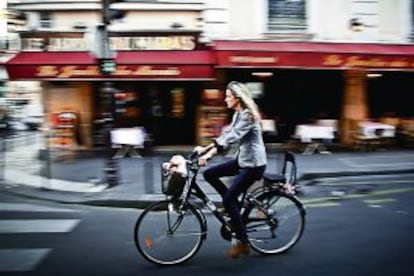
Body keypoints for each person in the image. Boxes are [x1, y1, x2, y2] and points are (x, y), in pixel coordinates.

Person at [193, 81, 267, 259]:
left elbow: (232, 137)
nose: (225, 99)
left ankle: (243, 243)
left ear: (237, 97)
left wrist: (209, 155)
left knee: (228, 198)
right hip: (242, 160)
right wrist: (205, 149)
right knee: (209, 174)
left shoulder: (248, 115)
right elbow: (226, 136)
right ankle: (231, 206)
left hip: (253, 164)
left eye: (228, 96)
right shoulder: (238, 114)